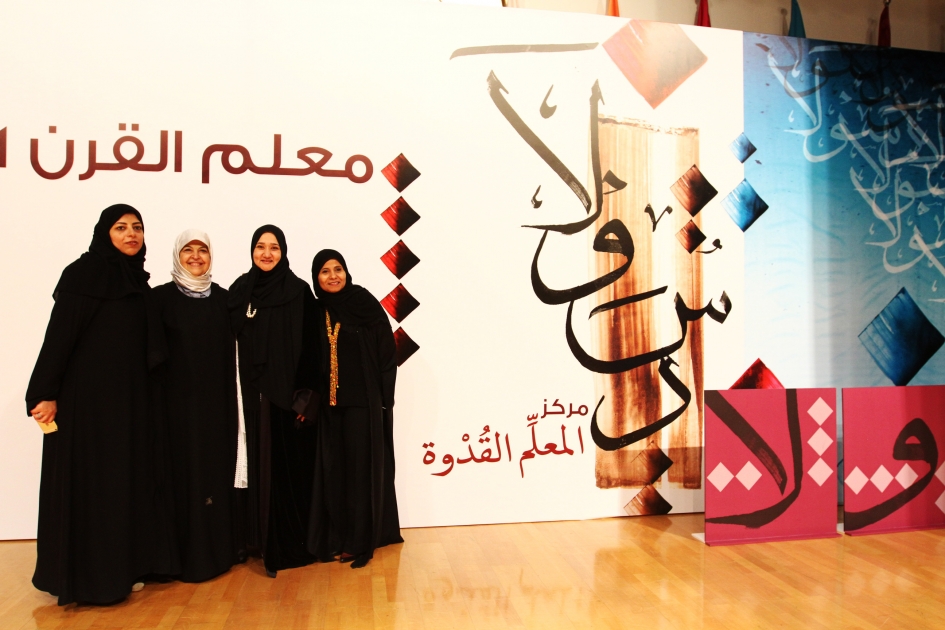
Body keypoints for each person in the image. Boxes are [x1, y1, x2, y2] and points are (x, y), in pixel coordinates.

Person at [26, 204, 178, 605]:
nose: (131, 234)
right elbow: (60, 336)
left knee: (123, 486)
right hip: (89, 408)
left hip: (129, 406)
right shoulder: (83, 275)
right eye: (121, 227)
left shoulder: (138, 281)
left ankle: (123, 569)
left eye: (137, 227)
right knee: (95, 487)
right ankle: (91, 580)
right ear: (104, 233)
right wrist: (44, 393)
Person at [227, 225, 319, 577]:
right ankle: (249, 540)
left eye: (274, 247)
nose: (266, 254)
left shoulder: (298, 291)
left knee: (280, 473)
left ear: (284, 252)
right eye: (260, 247)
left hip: (284, 401)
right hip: (246, 396)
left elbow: (311, 349)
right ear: (252, 250)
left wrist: (304, 400)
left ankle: (280, 541)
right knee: (246, 466)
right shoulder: (240, 290)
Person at [152, 230, 240, 582]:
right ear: (177, 255)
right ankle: (182, 559)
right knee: (181, 478)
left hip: (217, 408)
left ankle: (219, 553)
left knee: (214, 476)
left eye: (202, 250)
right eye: (188, 250)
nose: (195, 256)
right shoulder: (159, 299)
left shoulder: (224, 299)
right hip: (175, 411)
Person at [307, 250, 402, 570]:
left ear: (347, 272)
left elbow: (386, 353)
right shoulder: (317, 311)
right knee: (335, 473)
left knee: (361, 474)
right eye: (325, 271)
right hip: (330, 409)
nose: (333, 276)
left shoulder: (363, 303)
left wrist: (384, 399)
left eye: (338, 269)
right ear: (316, 278)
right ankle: (338, 538)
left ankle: (361, 540)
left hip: (363, 406)